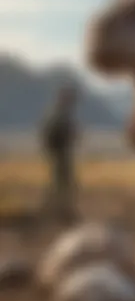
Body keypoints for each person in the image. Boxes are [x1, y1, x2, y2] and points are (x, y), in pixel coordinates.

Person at [40, 85, 80, 224]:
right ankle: (58, 211)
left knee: (63, 182)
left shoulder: (59, 113)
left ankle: (59, 210)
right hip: (60, 152)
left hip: (61, 152)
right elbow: (53, 133)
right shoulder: (58, 114)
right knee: (61, 183)